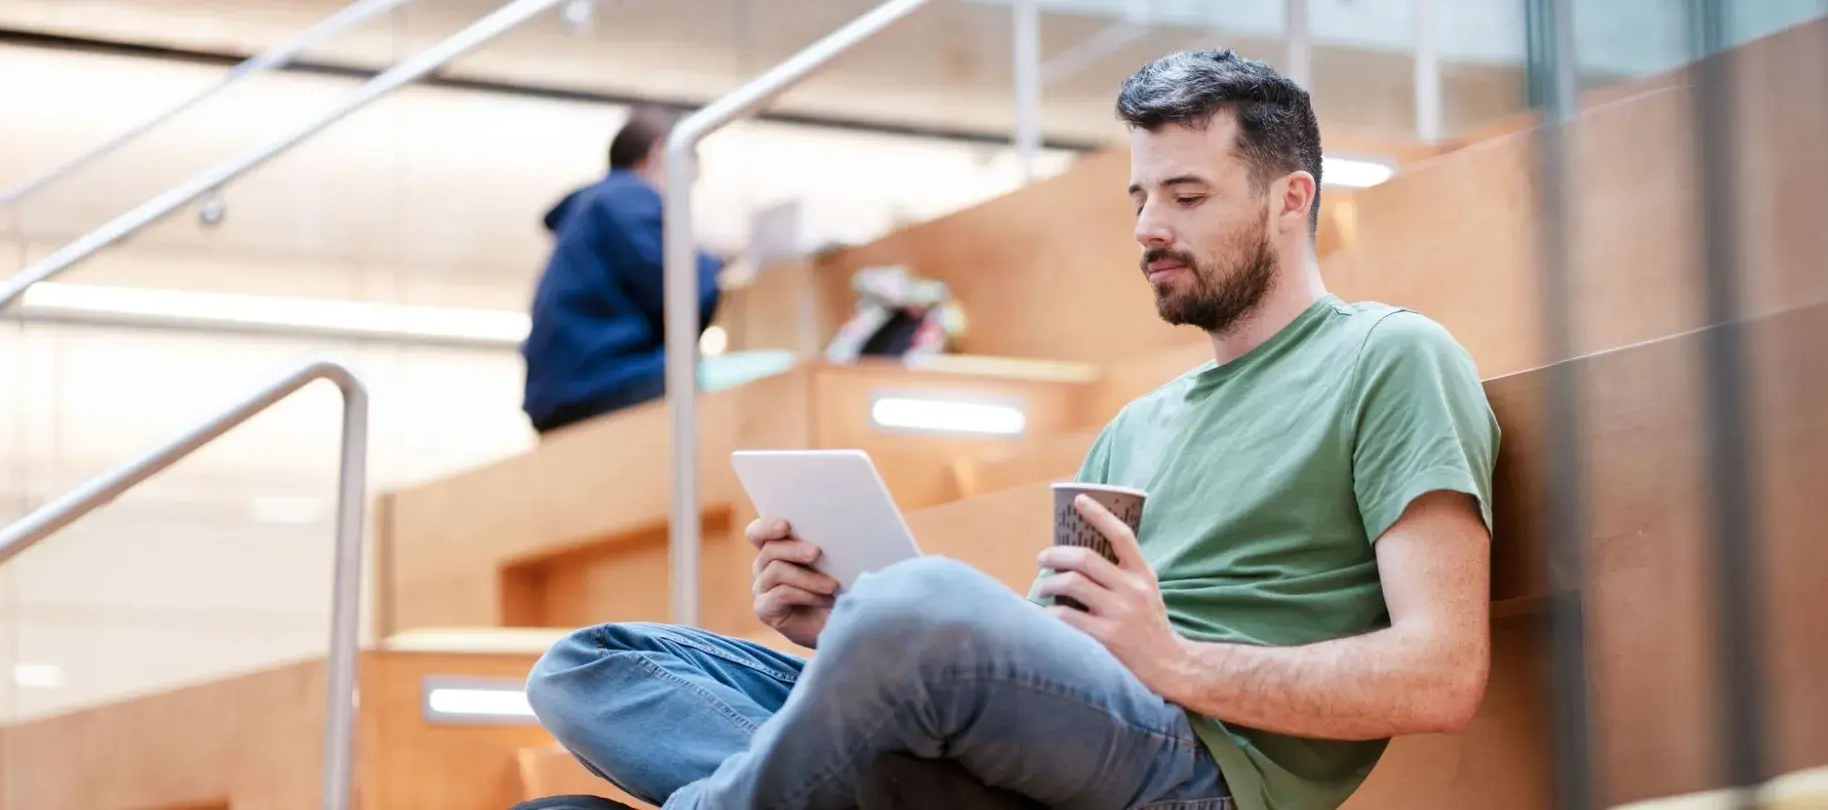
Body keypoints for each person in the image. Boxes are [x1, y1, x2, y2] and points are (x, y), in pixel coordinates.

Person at [517, 50, 1499, 810]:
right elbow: (1037, 648)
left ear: (1292, 201)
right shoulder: (1136, 425)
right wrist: (843, 634)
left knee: (921, 605)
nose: (1148, 227)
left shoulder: (1392, 360)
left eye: (1186, 196)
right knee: (589, 667)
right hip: (1054, 751)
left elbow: (1440, 675)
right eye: (1139, 197)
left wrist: (1174, 663)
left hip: (1197, 770)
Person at [520, 105, 728, 435]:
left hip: (566, 392)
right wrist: (712, 261)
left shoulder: (591, 210)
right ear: (661, 152)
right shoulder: (629, 197)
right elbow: (681, 291)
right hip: (607, 382)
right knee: (743, 396)